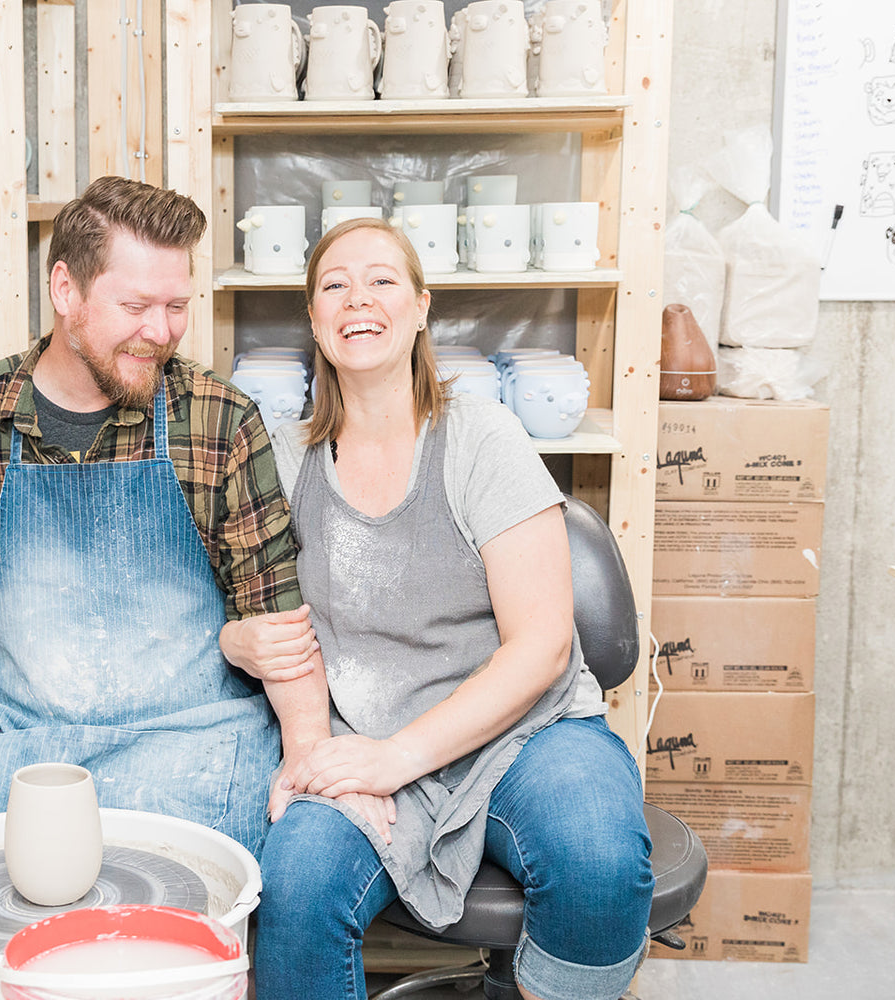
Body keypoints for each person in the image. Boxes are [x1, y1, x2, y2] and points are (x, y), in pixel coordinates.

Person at [0, 176, 329, 979]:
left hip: (185, 737)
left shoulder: (219, 419)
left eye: (176, 305)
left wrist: (306, 758)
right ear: (65, 289)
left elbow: (278, 612)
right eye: (135, 307)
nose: (161, 330)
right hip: (10, 730)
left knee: (184, 913)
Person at [224, 218, 653, 1000]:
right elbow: (255, 620)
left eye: (383, 281)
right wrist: (240, 641)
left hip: (525, 731)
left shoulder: (483, 437)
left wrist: (400, 758)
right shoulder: (285, 459)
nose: (360, 298)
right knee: (298, 884)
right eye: (335, 284)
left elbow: (542, 647)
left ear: (421, 308)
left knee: (600, 863)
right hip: (362, 739)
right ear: (315, 319)